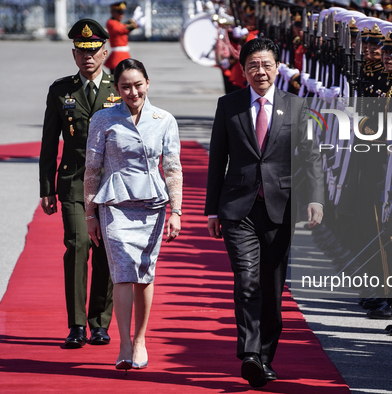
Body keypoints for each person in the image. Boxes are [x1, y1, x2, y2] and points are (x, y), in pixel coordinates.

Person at [204, 38, 324, 388]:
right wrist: (212, 209)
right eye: (253, 65)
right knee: (247, 280)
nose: (260, 71)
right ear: (243, 69)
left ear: (277, 68)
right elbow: (217, 160)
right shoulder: (230, 105)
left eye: (267, 64)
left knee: (271, 288)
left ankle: (266, 356)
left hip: (279, 208)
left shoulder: (297, 106)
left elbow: (311, 156)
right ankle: (250, 353)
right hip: (237, 208)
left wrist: (314, 198)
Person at [84, 58, 183, 371]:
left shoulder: (164, 119)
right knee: (123, 272)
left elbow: (172, 167)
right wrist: (90, 213)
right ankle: (124, 343)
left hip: (152, 206)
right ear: (116, 88)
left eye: (138, 84)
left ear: (148, 83)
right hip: (114, 205)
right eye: (125, 86)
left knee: (144, 272)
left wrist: (177, 211)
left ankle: (140, 339)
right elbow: (92, 169)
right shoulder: (102, 119)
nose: (132, 91)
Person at [39, 18, 117, 349]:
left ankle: (99, 322)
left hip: (112, 185)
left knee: (105, 252)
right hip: (73, 182)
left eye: (94, 51)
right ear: (74, 54)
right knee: (77, 246)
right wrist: (47, 188)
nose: (88, 58)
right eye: (81, 52)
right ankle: (76, 325)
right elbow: (48, 142)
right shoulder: (62, 90)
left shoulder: (120, 88)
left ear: (105, 52)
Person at [104, 2, 143, 73]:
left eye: (123, 12)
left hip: (123, 54)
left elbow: (123, 26)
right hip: (117, 55)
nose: (121, 14)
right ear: (112, 12)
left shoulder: (118, 22)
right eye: (119, 12)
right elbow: (121, 29)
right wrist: (136, 24)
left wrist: (133, 19)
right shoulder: (111, 22)